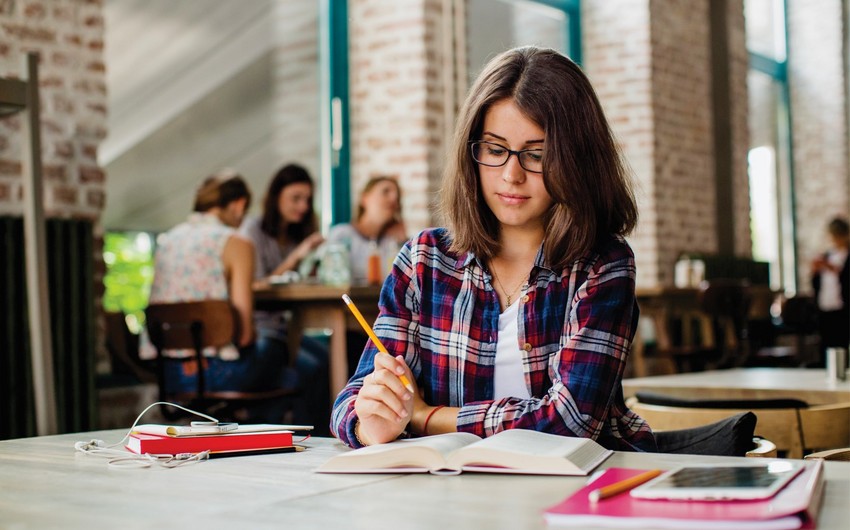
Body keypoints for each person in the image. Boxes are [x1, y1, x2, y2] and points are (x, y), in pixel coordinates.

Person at [330, 46, 656, 452]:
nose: (511, 175)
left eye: (536, 155)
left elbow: (571, 422)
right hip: (451, 494)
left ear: (577, 160)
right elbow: (351, 401)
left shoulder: (602, 264)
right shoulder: (424, 261)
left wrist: (424, 416)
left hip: (579, 493)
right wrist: (372, 424)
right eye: (495, 150)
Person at [142, 170, 295, 420]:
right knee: (288, 360)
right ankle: (264, 443)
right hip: (221, 373)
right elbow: (245, 335)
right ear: (239, 205)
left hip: (168, 374)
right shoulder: (237, 243)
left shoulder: (167, 240)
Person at [239, 163, 330, 433]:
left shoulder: (294, 234)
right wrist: (296, 257)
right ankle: (295, 435)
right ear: (276, 196)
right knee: (310, 367)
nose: (302, 206)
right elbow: (253, 285)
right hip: (259, 328)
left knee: (326, 359)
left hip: (288, 327)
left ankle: (316, 436)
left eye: (307, 200)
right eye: (295, 198)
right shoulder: (252, 230)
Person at [325, 176, 408, 284]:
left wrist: (403, 243)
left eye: (397, 197)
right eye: (385, 192)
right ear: (365, 198)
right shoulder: (342, 234)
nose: (393, 198)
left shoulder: (395, 241)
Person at [810, 216, 850, 363]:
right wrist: (815, 272)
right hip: (825, 306)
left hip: (843, 307)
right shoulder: (827, 255)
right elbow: (818, 283)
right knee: (826, 344)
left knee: (842, 343)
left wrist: (836, 270)